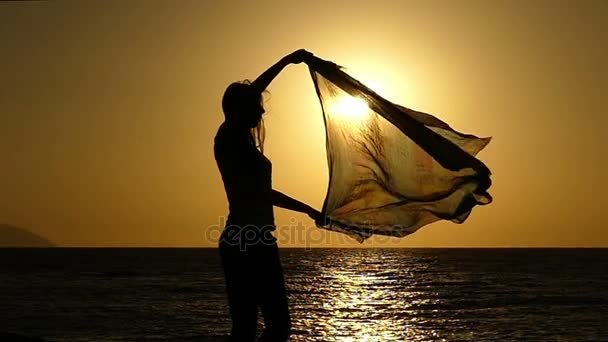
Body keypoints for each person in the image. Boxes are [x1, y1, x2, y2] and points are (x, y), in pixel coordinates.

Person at [214, 49, 322, 342]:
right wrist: (287, 61)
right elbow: (254, 92)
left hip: (260, 238)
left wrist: (308, 210)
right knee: (251, 326)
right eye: (257, 106)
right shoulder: (228, 136)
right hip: (243, 241)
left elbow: (264, 194)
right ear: (240, 108)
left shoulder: (245, 144)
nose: (262, 112)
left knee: (271, 326)